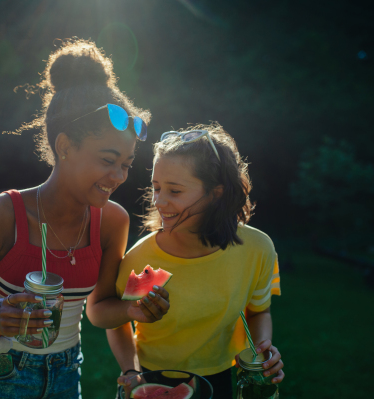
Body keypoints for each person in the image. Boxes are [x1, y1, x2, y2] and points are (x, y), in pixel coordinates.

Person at [0, 38, 167, 399]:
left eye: (126, 164)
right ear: (64, 147)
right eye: (108, 161)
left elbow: (99, 309)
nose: (119, 176)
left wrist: (134, 310)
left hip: (66, 378)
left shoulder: (113, 222)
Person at [103, 123, 285, 398]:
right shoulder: (142, 258)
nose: (159, 202)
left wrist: (263, 352)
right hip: (151, 376)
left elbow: (259, 311)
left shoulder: (259, 249)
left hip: (221, 375)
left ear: (216, 193)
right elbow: (116, 320)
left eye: (174, 191)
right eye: (156, 187)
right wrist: (131, 371)